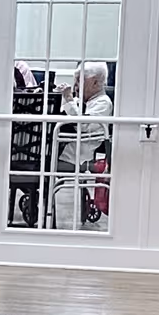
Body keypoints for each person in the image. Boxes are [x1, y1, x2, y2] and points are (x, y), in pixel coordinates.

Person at [52, 60, 112, 230]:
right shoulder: (85, 101)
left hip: (78, 158)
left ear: (94, 82)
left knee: (41, 162)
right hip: (67, 150)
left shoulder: (103, 103)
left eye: (79, 81)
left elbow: (82, 124)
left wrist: (69, 98)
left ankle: (46, 210)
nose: (76, 86)